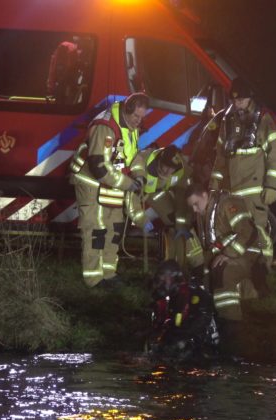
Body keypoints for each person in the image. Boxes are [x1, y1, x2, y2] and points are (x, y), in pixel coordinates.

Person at [69, 92, 150, 288]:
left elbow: (134, 155)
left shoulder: (131, 126)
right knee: (96, 231)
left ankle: (108, 273)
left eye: (142, 118)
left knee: (114, 229)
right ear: (127, 110)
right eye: (136, 117)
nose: (138, 122)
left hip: (113, 182)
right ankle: (94, 279)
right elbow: (99, 167)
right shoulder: (105, 127)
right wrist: (127, 184)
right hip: (92, 183)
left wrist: (139, 175)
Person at [185, 183, 272, 353]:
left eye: (196, 204)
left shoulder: (228, 204)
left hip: (250, 254)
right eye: (192, 207)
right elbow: (210, 247)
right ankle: (212, 328)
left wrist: (229, 254)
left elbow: (247, 232)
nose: (195, 210)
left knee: (223, 273)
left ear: (204, 195)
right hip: (229, 254)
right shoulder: (205, 212)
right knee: (203, 283)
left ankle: (232, 326)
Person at [209, 78, 276, 230]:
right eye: (235, 100)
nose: (237, 104)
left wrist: (272, 186)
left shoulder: (263, 120)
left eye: (241, 100)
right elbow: (221, 156)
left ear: (251, 98)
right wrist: (215, 183)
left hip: (254, 194)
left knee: (256, 234)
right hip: (231, 192)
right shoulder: (228, 120)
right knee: (235, 234)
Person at [126, 144, 201, 266]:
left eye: (171, 168)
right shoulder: (143, 164)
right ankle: (171, 264)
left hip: (157, 195)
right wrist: (141, 220)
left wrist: (181, 223)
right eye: (165, 166)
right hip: (136, 198)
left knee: (178, 225)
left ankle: (196, 264)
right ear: (159, 159)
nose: (167, 171)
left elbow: (182, 196)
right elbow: (130, 196)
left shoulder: (181, 169)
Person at [146, 259, 218, 362]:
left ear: (174, 277)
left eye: (164, 278)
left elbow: (201, 321)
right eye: (159, 279)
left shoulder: (193, 293)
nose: (161, 283)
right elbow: (164, 326)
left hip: (203, 348)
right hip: (181, 347)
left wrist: (179, 341)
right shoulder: (167, 300)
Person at [46, 36, 84, 104]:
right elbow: (55, 65)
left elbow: (54, 65)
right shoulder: (65, 46)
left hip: (71, 81)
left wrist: (51, 85)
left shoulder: (66, 46)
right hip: (68, 81)